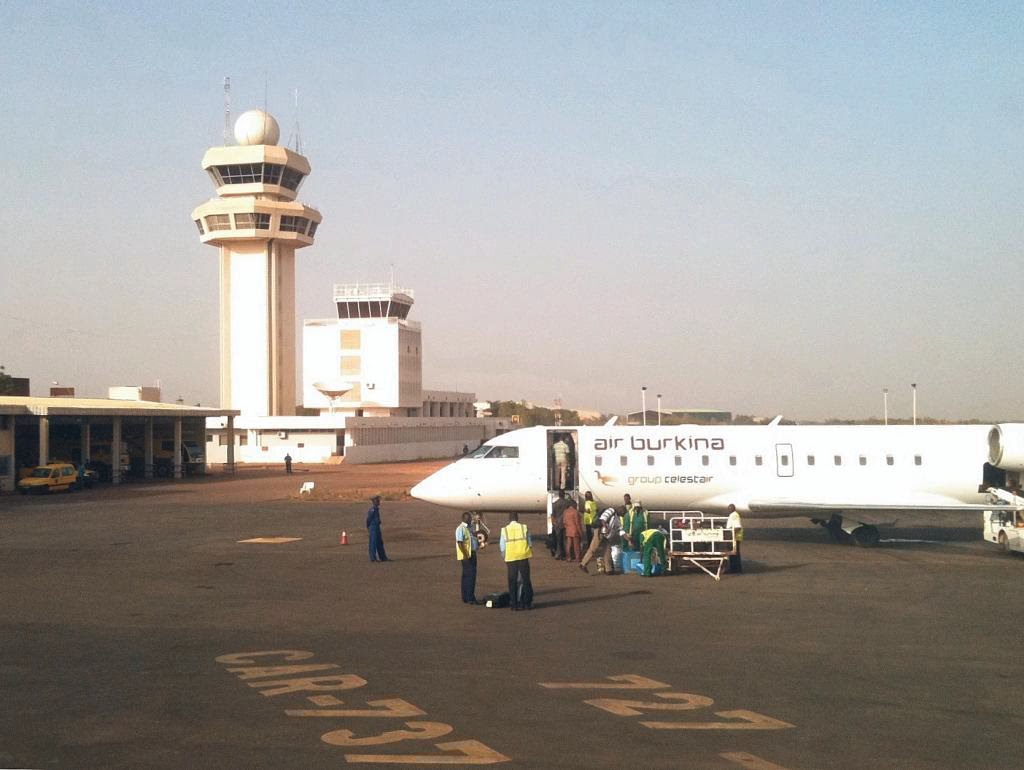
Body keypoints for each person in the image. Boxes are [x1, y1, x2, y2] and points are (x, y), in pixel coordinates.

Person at [500, 512, 533, 611]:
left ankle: (514, 604)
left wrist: (505, 557)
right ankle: (526, 604)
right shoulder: (524, 528)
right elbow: (529, 543)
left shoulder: (504, 530)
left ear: (509, 519)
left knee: (512, 581)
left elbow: (502, 547)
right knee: (526, 580)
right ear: (517, 518)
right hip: (523, 556)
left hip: (511, 558)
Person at [580, 506, 615, 574]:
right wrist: (603, 529)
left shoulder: (610, 512)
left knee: (607, 549)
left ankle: (608, 569)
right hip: (600, 530)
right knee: (593, 547)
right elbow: (603, 521)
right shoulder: (612, 513)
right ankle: (583, 564)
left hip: (603, 531)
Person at [455, 512, 479, 603]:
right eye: (469, 518)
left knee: (466, 576)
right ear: (465, 519)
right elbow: (460, 542)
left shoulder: (468, 528)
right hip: (467, 556)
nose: (471, 520)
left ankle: (466, 597)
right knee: (470, 576)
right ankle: (470, 598)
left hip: (471, 553)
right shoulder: (461, 528)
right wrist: (465, 555)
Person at [366, 495, 389, 562]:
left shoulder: (376, 509)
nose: (379, 502)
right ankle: (373, 558)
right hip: (373, 527)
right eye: (377, 500)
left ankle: (383, 557)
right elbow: (368, 519)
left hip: (377, 527)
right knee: (373, 542)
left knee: (380, 542)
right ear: (374, 501)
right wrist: (368, 527)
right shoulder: (372, 510)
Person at [549, 490, 570, 559]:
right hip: (565, 523)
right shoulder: (567, 503)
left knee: (558, 540)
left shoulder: (554, 504)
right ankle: (564, 554)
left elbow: (552, 515)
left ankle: (558, 554)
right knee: (565, 540)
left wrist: (554, 523)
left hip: (557, 524)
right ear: (564, 495)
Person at [726, 503, 744, 573]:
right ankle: (735, 569)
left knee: (734, 554)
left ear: (733, 509)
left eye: (730, 508)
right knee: (734, 554)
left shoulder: (734, 515)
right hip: (735, 537)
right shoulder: (733, 515)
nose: (729, 509)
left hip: (735, 538)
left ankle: (735, 569)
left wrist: (731, 535)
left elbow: (738, 527)